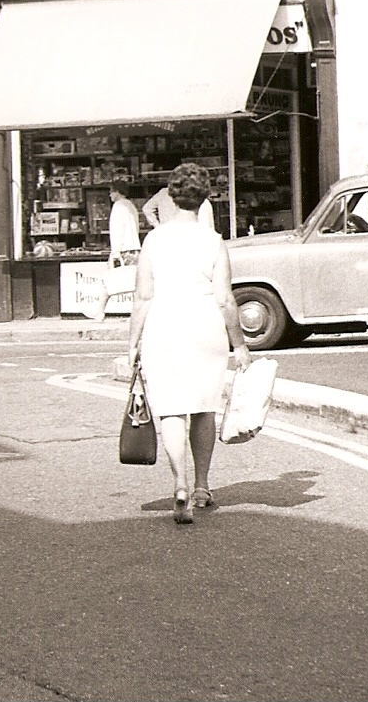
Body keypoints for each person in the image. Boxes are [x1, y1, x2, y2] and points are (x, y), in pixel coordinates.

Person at [127, 163, 250, 525]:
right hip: (204, 326)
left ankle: (179, 483)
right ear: (205, 197)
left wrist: (132, 342)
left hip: (164, 326)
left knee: (171, 410)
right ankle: (202, 485)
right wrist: (239, 344)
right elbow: (226, 299)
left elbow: (142, 296)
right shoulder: (212, 240)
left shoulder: (154, 239)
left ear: (171, 195)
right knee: (202, 408)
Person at [143, 179, 215, 234]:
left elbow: (146, 209)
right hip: (189, 236)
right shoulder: (200, 200)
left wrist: (158, 226)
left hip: (167, 234)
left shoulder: (164, 192)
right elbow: (208, 228)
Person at [108, 179, 142, 266]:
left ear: (118, 192)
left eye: (112, 191)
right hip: (135, 248)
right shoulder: (131, 205)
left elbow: (117, 230)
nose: (110, 194)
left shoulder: (118, 206)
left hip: (123, 250)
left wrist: (115, 251)